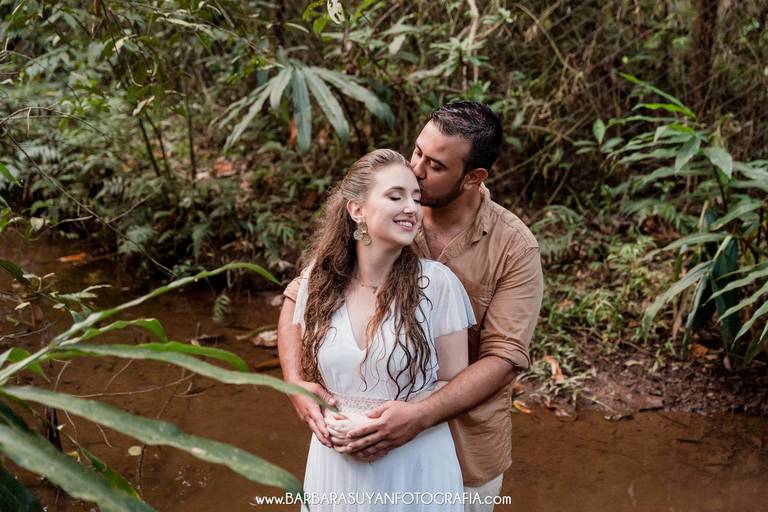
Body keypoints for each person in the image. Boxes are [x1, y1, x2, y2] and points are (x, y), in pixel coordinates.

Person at [279, 102, 544, 511]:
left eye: (435, 165)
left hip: (466, 449)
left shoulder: (513, 247)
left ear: (473, 178)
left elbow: (505, 356)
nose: (416, 169)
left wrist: (419, 416)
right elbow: (299, 297)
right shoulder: (386, 215)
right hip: (356, 447)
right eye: (418, 151)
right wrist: (295, 382)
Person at [290, 149, 476, 511]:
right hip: (336, 465)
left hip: (414, 463)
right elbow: (310, 376)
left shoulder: (436, 284)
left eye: (416, 198)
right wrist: (324, 415)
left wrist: (403, 421)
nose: (412, 208)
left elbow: (455, 380)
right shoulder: (318, 282)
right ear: (356, 209)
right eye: (396, 196)